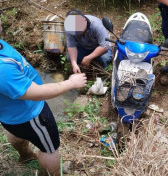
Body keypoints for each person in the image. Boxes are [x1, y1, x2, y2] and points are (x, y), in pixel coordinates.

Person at [0, 19, 87, 175]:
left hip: (9, 116)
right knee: (50, 149)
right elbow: (36, 93)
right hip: (30, 115)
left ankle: (25, 156)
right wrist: (70, 83)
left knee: (16, 132)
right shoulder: (2, 69)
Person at [64, 9, 112, 74]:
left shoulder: (96, 25)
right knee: (70, 58)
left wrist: (88, 58)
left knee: (104, 58)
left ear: (85, 21)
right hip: (83, 47)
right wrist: (74, 64)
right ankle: (81, 68)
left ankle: (103, 73)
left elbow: (104, 46)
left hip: (99, 46)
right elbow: (72, 46)